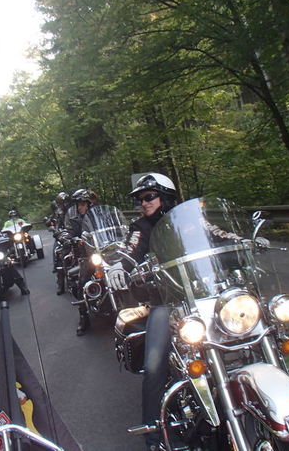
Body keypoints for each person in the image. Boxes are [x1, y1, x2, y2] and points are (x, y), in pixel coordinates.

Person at [108, 173, 178, 451]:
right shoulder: (141, 226)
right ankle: (154, 433)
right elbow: (131, 249)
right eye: (140, 199)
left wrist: (243, 239)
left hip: (202, 295)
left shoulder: (186, 219)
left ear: (166, 197)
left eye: (149, 196)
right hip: (166, 300)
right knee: (154, 366)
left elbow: (215, 233)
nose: (144, 202)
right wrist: (119, 265)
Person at [60, 188, 96, 335]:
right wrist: (67, 238)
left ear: (89, 204)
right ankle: (83, 317)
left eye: (82, 204)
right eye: (78, 205)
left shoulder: (98, 217)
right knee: (83, 283)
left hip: (104, 253)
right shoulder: (75, 221)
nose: (79, 207)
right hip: (87, 256)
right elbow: (68, 231)